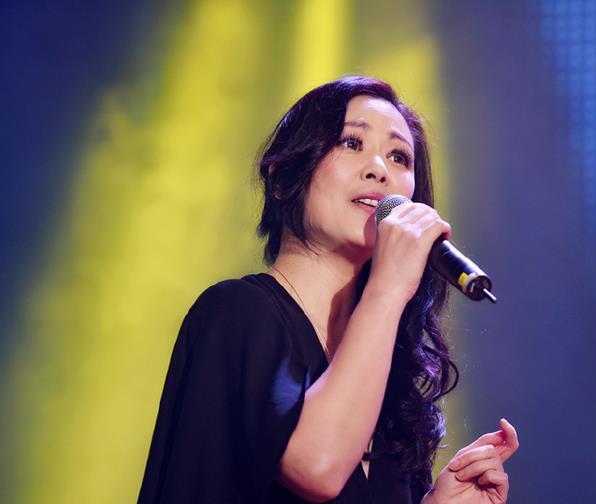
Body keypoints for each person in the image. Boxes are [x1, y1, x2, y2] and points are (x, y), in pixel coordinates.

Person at [138, 75, 519, 503]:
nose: (379, 169)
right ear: (283, 178)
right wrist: (389, 287)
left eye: (398, 156)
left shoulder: (386, 375)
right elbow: (316, 467)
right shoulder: (237, 312)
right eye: (352, 143)